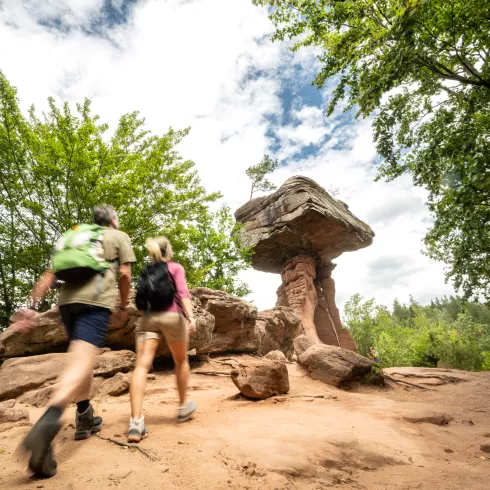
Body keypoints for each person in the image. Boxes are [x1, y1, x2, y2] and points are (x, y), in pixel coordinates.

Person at [10, 205, 136, 477]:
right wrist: (123, 306)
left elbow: (51, 273)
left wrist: (31, 306)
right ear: (113, 221)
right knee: (81, 363)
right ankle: (50, 419)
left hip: (67, 304)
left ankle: (85, 416)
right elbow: (125, 273)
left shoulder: (75, 234)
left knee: (83, 361)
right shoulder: (118, 236)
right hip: (95, 303)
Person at [128, 236, 197, 443]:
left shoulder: (147, 271)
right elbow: (183, 293)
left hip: (148, 318)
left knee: (141, 366)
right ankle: (184, 406)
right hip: (172, 317)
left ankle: (136, 423)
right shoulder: (175, 267)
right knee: (181, 360)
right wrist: (191, 317)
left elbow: (140, 303)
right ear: (169, 252)